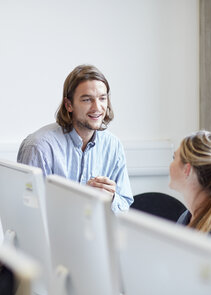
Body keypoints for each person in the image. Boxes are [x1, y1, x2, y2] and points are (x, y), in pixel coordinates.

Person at [17, 64, 133, 213]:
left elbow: (124, 207)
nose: (97, 108)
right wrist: (80, 199)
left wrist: (111, 198)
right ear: (69, 105)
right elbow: (30, 212)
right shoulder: (39, 147)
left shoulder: (113, 146)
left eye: (102, 98)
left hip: (96, 235)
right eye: (87, 100)